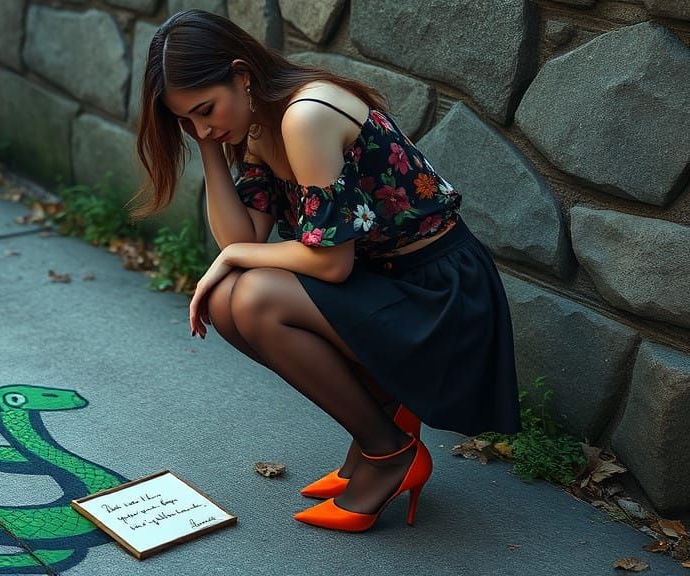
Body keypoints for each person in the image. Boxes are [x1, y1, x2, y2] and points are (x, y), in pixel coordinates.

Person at [129, 9, 521, 533]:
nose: (204, 127)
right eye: (189, 121)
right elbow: (242, 239)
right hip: (384, 283)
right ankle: (379, 432)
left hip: (438, 296)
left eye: (206, 110)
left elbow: (329, 264)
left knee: (251, 297)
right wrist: (210, 149)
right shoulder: (255, 124)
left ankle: (388, 453)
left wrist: (232, 259)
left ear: (242, 74)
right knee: (228, 300)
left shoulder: (304, 117)